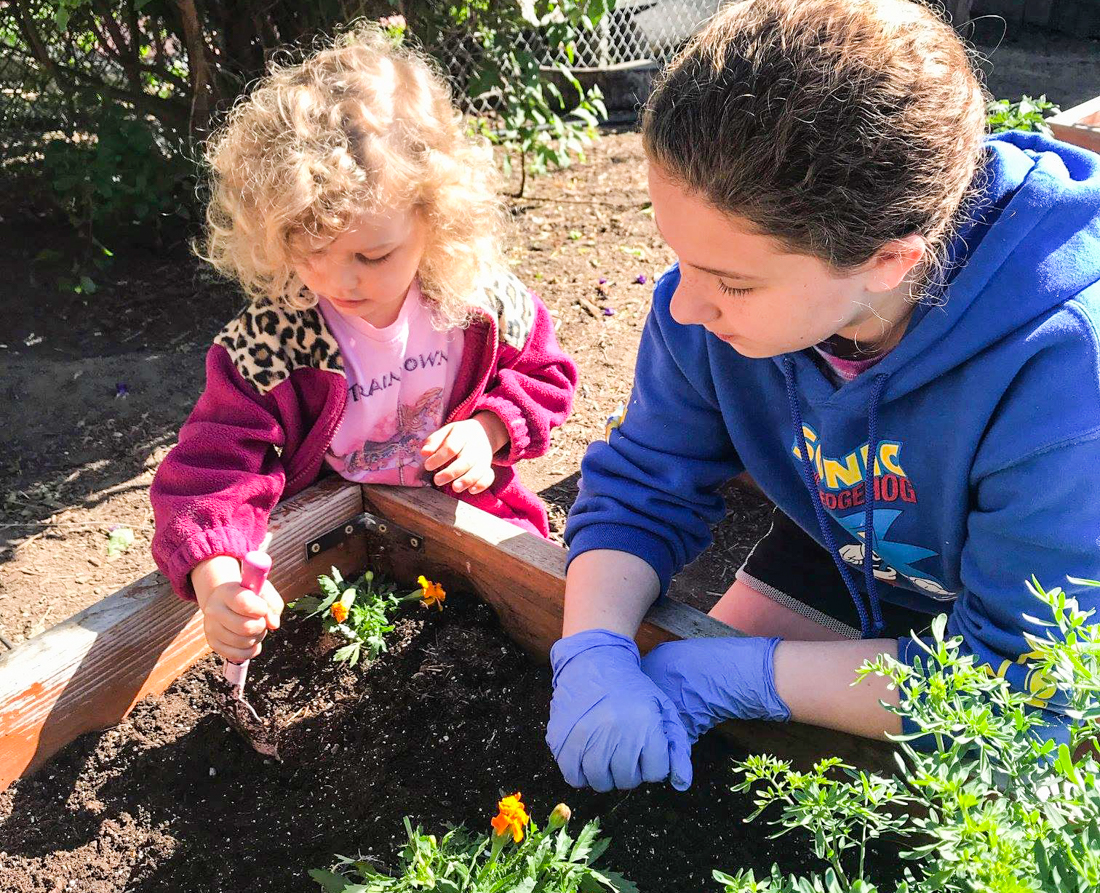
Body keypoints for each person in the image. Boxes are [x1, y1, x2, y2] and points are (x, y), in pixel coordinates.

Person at [547, 0, 1100, 792]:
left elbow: (1020, 686)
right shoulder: (708, 308)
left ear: (887, 261)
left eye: (733, 281)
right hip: (847, 550)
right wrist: (592, 647)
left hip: (1050, 615)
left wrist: (740, 675)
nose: (683, 307)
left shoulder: (1066, 365)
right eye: (679, 256)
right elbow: (643, 485)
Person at [150, 25, 576, 664]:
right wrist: (220, 578)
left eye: (372, 255)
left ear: (435, 220)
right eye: (310, 249)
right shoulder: (269, 345)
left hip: (468, 512)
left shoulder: (478, 303)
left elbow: (546, 374)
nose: (338, 280)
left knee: (533, 620)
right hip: (330, 541)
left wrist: (488, 431)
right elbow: (211, 472)